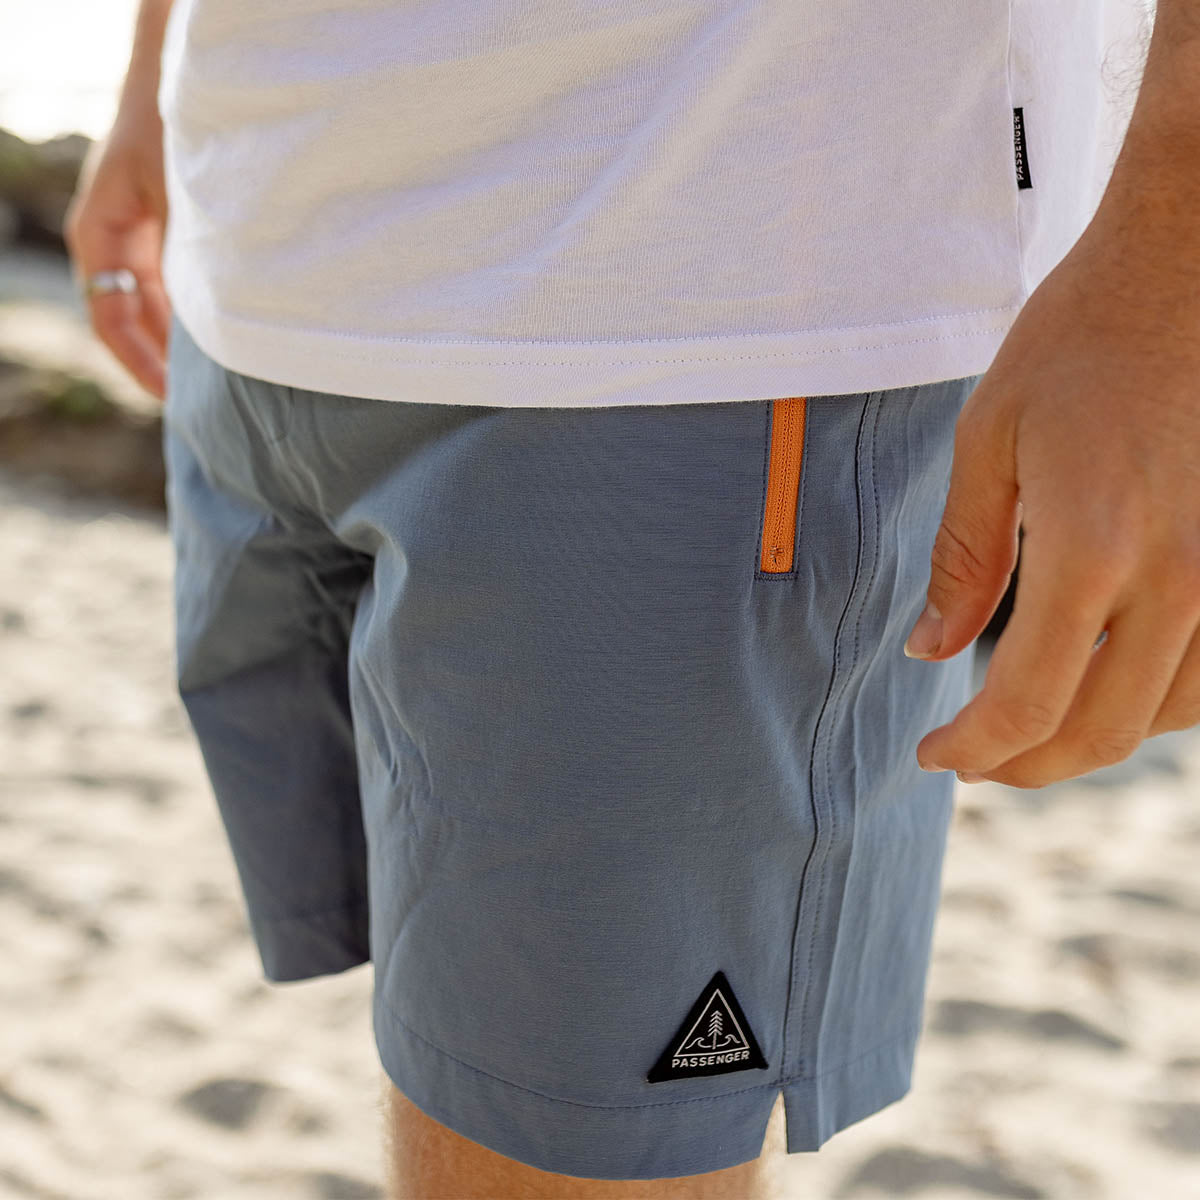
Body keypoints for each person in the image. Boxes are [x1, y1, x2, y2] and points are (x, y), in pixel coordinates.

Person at [65, 0, 1200, 1195]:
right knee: (442, 1047)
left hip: (709, 304)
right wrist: (148, 80)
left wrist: (1175, 258)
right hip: (253, 242)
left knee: (561, 1127)